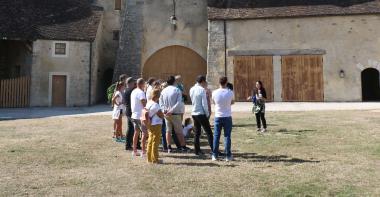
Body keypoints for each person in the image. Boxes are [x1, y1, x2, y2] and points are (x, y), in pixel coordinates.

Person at [160, 76, 190, 153]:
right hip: (175, 113)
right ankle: (183, 146)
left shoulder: (163, 91)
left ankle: (169, 147)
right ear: (174, 82)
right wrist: (171, 110)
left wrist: (164, 110)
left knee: (168, 131)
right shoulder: (177, 90)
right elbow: (179, 102)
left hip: (166, 113)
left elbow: (161, 102)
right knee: (179, 131)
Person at [212, 76, 235, 162]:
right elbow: (232, 102)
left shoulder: (214, 92)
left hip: (218, 116)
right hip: (227, 116)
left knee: (216, 136)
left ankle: (214, 155)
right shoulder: (230, 92)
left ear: (219, 82)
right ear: (226, 82)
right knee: (227, 136)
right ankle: (228, 155)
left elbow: (213, 102)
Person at [189, 75, 213, 156]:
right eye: (205, 81)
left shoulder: (192, 89)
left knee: (197, 133)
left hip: (194, 112)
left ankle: (197, 150)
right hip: (201, 113)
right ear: (202, 81)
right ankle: (214, 150)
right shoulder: (202, 90)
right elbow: (204, 104)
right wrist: (207, 114)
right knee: (209, 132)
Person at [146, 89, 164, 164]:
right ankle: (155, 159)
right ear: (158, 96)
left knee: (150, 141)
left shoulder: (149, 102)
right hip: (156, 124)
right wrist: (164, 114)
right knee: (155, 142)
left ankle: (149, 158)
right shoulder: (156, 105)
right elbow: (161, 115)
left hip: (150, 124)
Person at [131, 78, 148, 157]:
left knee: (136, 132)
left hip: (134, 115)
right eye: (144, 84)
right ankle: (143, 151)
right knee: (144, 133)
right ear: (141, 84)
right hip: (140, 115)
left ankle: (134, 151)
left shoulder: (133, 91)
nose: (145, 85)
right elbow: (144, 104)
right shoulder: (141, 92)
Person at [124, 77, 137, 150]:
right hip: (131, 112)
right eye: (133, 83)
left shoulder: (126, 90)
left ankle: (129, 144)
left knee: (131, 128)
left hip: (128, 111)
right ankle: (129, 145)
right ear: (131, 83)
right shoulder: (131, 91)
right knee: (133, 129)